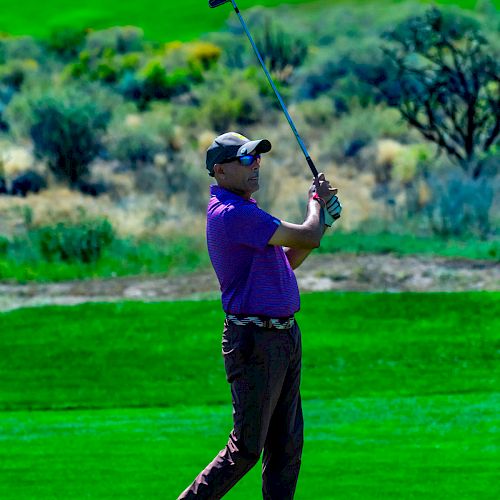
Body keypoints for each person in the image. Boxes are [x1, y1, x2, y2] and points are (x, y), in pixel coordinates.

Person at [178, 132, 342, 499]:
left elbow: (289, 259)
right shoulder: (232, 214)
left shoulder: (248, 211)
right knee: (246, 450)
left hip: (282, 336)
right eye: (246, 160)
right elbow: (307, 236)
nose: (256, 167)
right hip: (255, 342)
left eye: (257, 159)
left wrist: (323, 219)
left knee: (286, 448)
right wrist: (317, 204)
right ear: (220, 171)